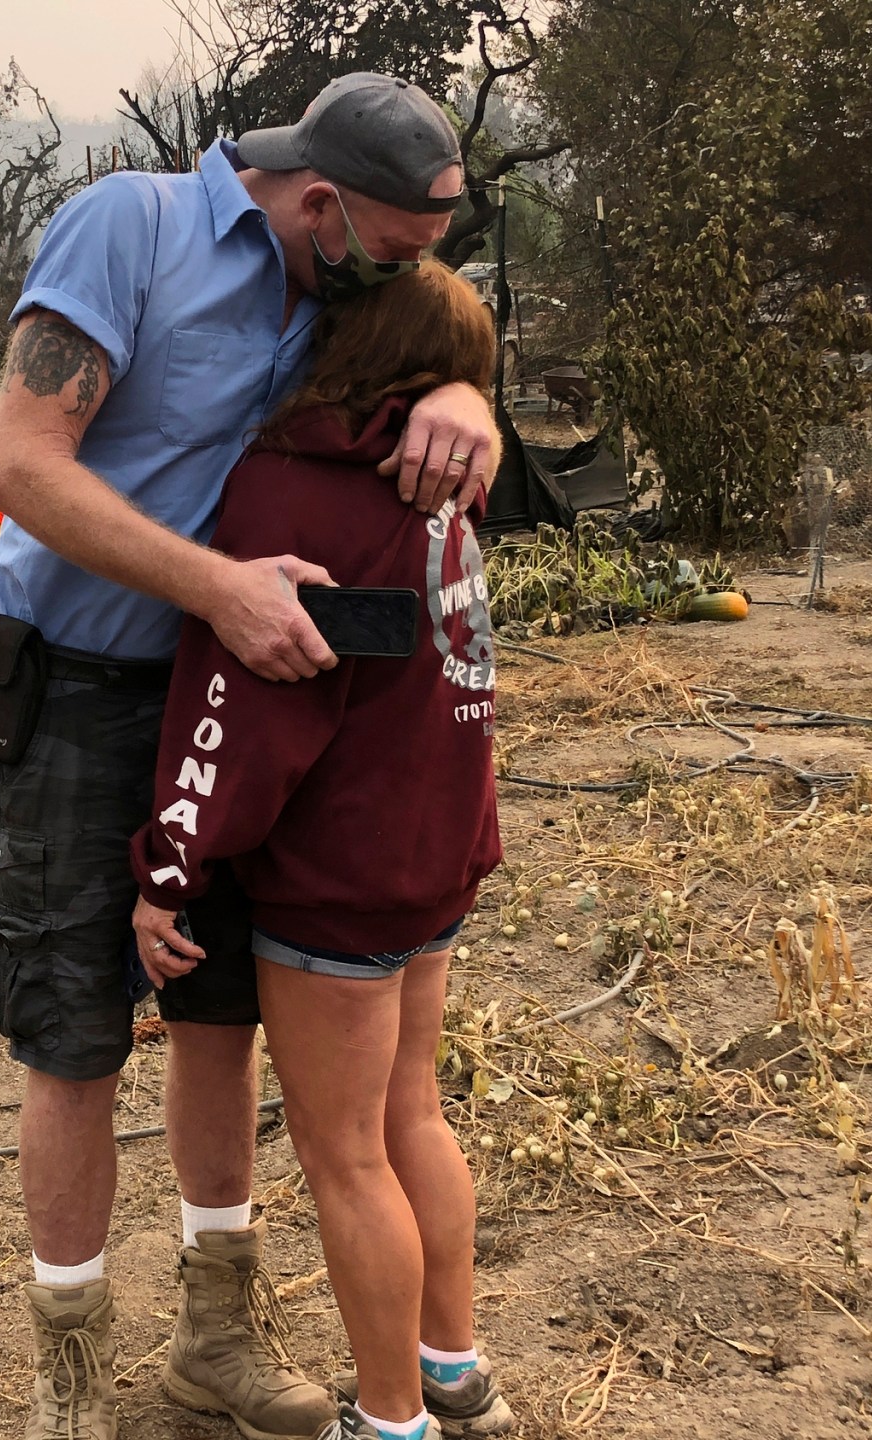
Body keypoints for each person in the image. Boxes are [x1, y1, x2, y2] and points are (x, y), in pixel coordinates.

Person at [0, 73, 501, 1440]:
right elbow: (17, 464)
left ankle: (217, 1337)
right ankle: (69, 1381)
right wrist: (215, 585)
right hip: (86, 693)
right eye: (387, 252)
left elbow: (408, 345)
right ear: (318, 205)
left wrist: (467, 393)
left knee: (218, 1023)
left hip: (241, 702)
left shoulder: (326, 294)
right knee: (76, 1037)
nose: (392, 278)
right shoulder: (128, 228)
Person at [129, 261, 508, 1440]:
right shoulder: (445, 487)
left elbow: (234, 722)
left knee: (345, 1160)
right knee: (413, 1117)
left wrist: (165, 869)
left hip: (338, 877)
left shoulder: (289, 498)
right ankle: (455, 1372)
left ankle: (387, 1423)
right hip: (436, 852)